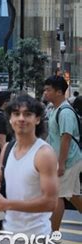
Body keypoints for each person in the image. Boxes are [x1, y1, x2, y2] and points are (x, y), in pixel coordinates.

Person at [0, 94, 59, 244]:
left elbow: (50, 203)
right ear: (10, 119)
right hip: (5, 236)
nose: (21, 118)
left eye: (27, 114)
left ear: (37, 119)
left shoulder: (44, 154)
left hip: (33, 242)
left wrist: (7, 204)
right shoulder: (8, 149)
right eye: (16, 114)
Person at [43, 76, 82, 232]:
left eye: (48, 90)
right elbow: (53, 137)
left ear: (59, 92)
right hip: (68, 159)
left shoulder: (65, 112)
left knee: (58, 196)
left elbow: (66, 138)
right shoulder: (55, 110)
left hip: (69, 160)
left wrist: (61, 164)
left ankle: (52, 234)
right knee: (72, 195)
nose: (45, 93)